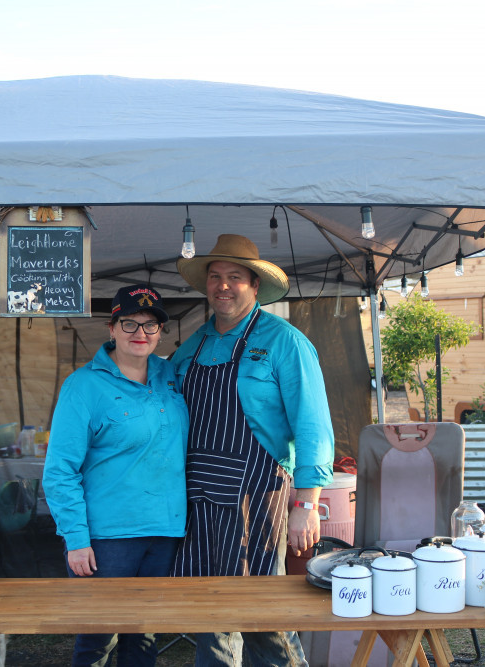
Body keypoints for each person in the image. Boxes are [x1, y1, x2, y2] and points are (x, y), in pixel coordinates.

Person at [172, 234, 335, 667]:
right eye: (215, 277)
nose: (223, 286)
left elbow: (313, 425)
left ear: (255, 285)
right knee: (210, 605)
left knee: (261, 611)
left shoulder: (285, 342)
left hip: (257, 492)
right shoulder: (191, 347)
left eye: (235, 278)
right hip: (199, 496)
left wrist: (308, 503)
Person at [43, 284, 188, 667]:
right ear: (111, 328)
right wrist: (76, 539)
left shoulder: (170, 375)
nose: (140, 333)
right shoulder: (83, 386)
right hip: (108, 540)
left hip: (164, 531)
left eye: (150, 325)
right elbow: (60, 471)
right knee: (96, 640)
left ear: (160, 332)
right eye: (129, 323)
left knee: (142, 637)